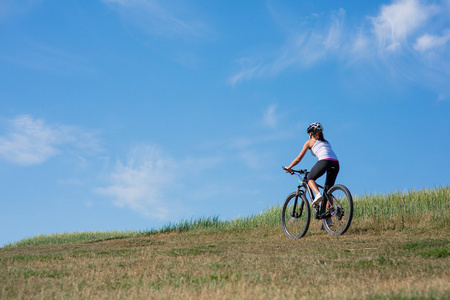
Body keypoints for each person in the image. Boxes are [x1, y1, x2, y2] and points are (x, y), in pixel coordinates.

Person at [284, 122, 340, 208]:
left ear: (311, 133)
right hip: (335, 163)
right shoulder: (326, 142)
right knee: (328, 191)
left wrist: (289, 167)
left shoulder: (310, 142)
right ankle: (328, 218)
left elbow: (298, 158)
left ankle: (317, 194)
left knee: (310, 178)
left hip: (324, 161)